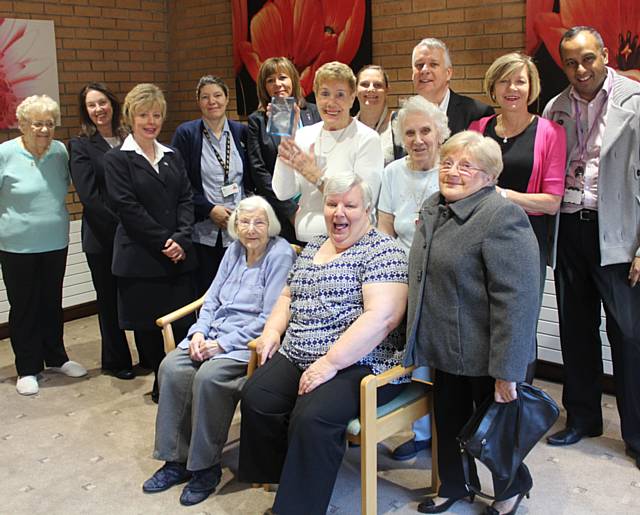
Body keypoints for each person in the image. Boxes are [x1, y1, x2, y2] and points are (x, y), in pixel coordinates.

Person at [239, 174, 409, 515]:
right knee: (257, 396)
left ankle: (296, 508)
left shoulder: (385, 251)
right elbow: (288, 294)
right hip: (299, 349)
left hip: (361, 361)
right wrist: (273, 330)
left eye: (350, 205)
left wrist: (330, 363)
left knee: (312, 416)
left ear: (368, 211)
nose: (339, 212)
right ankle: (287, 475)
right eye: (332, 204)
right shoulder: (316, 244)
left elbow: (383, 318)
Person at [404, 131, 539, 514]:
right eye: (447, 162)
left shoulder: (502, 215)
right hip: (446, 345)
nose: (452, 171)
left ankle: (511, 487)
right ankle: (456, 485)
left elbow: (518, 298)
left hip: (488, 350)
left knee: (496, 429)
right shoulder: (435, 207)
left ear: (489, 176)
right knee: (449, 422)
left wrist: (508, 369)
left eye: (466, 166)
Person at [142, 197, 296, 506]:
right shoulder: (235, 250)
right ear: (235, 225)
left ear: (271, 226)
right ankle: (176, 460)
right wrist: (199, 332)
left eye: (259, 222)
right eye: (244, 222)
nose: (250, 229)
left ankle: (204, 467)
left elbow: (269, 318)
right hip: (213, 334)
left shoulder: (279, 254)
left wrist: (222, 345)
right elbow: (211, 298)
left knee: (209, 378)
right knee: (171, 368)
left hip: (245, 345)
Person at [542, 26, 640, 471]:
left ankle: (636, 434)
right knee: (575, 330)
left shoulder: (635, 101)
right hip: (571, 227)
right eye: (570, 62)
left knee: (629, 336)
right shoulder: (555, 107)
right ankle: (583, 418)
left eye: (588, 59)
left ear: (604, 55)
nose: (580, 69)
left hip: (619, 230)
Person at [469, 52, 567, 382]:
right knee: (480, 319)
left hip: (526, 240)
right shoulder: (478, 129)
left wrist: (503, 196)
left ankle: (517, 404)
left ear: (532, 87)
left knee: (519, 322)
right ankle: (483, 405)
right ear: (493, 87)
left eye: (520, 81)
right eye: (504, 80)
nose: (512, 88)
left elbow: (552, 202)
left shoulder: (550, 132)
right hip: (477, 237)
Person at [104, 83, 197, 402]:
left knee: (182, 327)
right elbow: (126, 207)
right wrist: (164, 241)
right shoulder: (117, 160)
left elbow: (186, 197)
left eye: (156, 114)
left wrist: (181, 238)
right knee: (149, 334)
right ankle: (164, 387)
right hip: (142, 260)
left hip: (179, 257)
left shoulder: (172, 155)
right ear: (131, 116)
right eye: (143, 114)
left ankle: (181, 384)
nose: (151, 121)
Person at [377, 95, 449, 461]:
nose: (418, 139)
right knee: (407, 356)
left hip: (442, 280)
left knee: (439, 361)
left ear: (440, 133)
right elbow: (385, 229)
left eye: (425, 131)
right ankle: (419, 432)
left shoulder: (450, 172)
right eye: (410, 133)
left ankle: (446, 432)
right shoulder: (391, 174)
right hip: (401, 277)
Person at [0, 95, 87, 396]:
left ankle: (56, 357)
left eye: (49, 124)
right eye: (37, 123)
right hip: (16, 245)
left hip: (55, 241)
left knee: (51, 302)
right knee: (24, 306)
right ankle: (27, 367)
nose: (44, 130)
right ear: (23, 125)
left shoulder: (60, 151)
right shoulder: (6, 153)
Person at [69, 82, 144, 380]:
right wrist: (125, 224)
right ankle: (116, 361)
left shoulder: (129, 137)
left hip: (136, 233)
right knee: (109, 300)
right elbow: (89, 197)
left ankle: (148, 355)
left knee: (137, 295)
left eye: (102, 103)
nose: (99, 109)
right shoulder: (81, 145)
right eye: (91, 105)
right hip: (104, 236)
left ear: (112, 104)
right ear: (86, 111)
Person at [272, 61, 384, 243]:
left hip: (349, 244)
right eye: (324, 93)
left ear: (352, 97)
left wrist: (317, 178)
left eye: (340, 94)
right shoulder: (304, 135)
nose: (331, 102)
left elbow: (364, 203)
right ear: (315, 96)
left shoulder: (367, 138)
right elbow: (283, 193)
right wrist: (287, 140)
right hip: (305, 242)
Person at [171, 75, 249, 295]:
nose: (212, 101)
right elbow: (180, 183)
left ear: (226, 99)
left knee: (239, 292)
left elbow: (250, 179)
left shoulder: (240, 132)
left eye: (217, 95)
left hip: (239, 229)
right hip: (203, 232)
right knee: (208, 294)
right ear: (198, 102)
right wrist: (209, 209)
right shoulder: (186, 134)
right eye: (205, 97)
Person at [247, 57, 321, 244]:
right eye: (270, 80)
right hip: (280, 213)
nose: (277, 84)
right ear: (264, 87)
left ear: (293, 80)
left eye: (282, 77)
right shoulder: (258, 120)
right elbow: (260, 172)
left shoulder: (315, 112)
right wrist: (290, 210)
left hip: (317, 205)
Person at [392, 38, 494, 161]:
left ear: (448, 73)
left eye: (433, 64)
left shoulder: (476, 113)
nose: (424, 70)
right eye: (419, 65)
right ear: (412, 74)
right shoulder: (400, 118)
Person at [355, 64, 395, 165]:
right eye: (364, 84)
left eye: (378, 85)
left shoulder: (400, 124)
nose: (371, 89)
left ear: (387, 90)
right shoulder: (347, 128)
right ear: (355, 90)